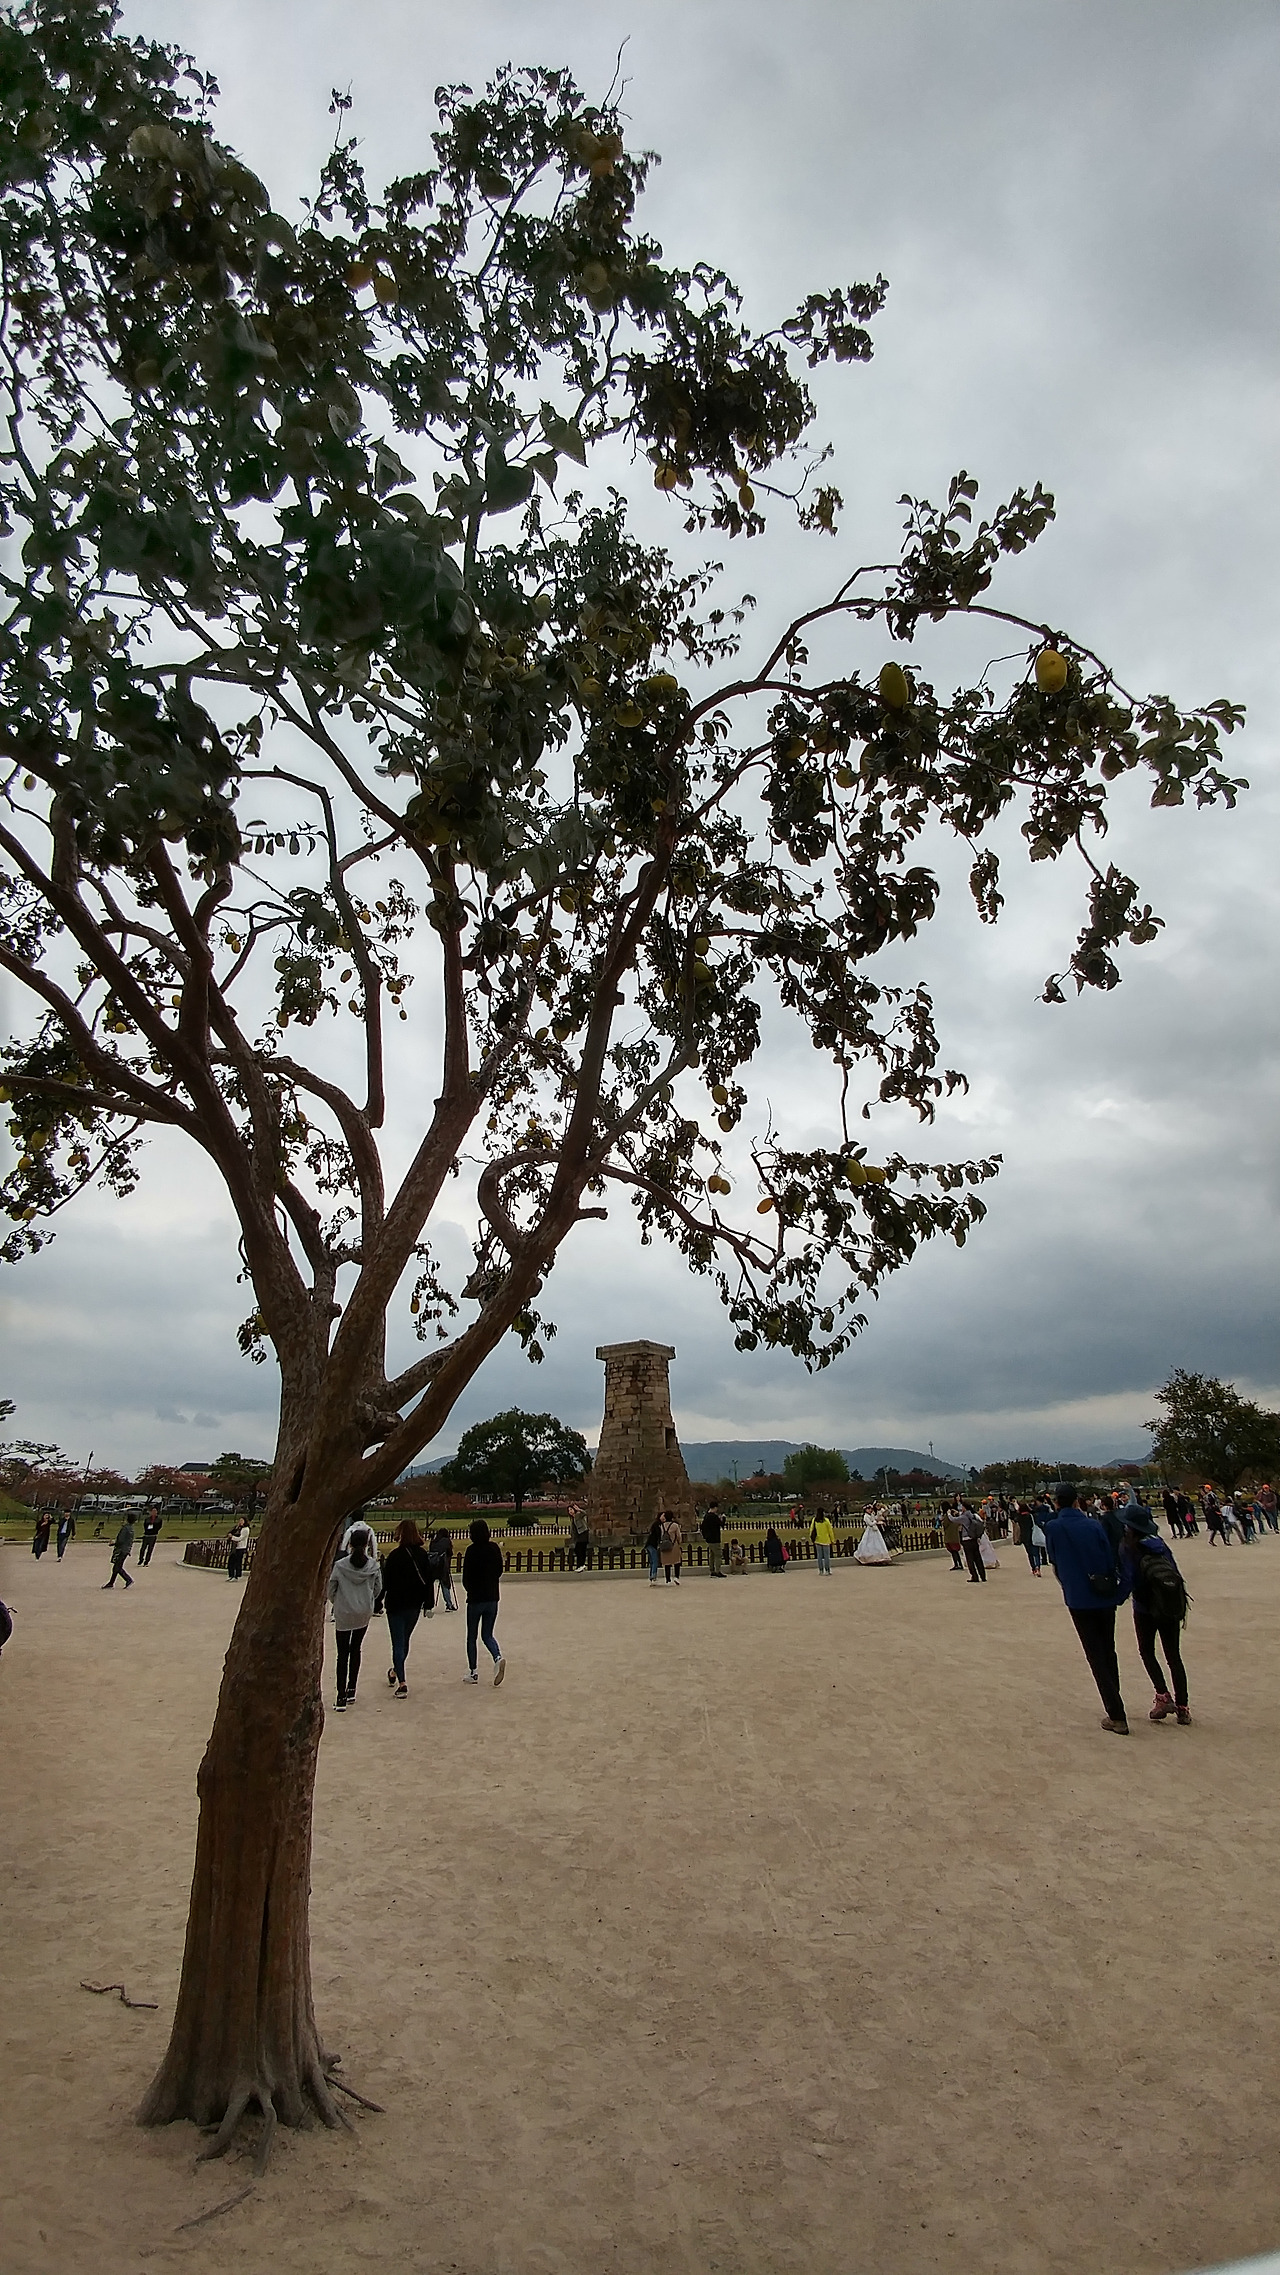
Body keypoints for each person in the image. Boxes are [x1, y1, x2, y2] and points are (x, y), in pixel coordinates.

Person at [1044, 1482, 1130, 1734]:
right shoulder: (1094, 1524)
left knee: (1095, 1655)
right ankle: (1115, 1698)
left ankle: (1117, 1714)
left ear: (1056, 1503)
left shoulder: (1054, 1527)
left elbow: (1054, 1560)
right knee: (1108, 1650)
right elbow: (1109, 1556)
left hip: (1079, 1597)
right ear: (1077, 1501)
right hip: (1104, 1594)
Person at [1119, 1509, 1191, 1725]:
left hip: (1144, 1607)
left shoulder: (1128, 1547)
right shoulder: (1160, 1545)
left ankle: (1162, 1695)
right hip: (1169, 1606)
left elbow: (1129, 1578)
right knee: (1174, 1656)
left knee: (1147, 1651)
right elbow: (1174, 1572)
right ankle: (1183, 1707)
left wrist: (1117, 1598)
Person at [327, 1521, 381, 1710]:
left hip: (344, 1611)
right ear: (367, 1544)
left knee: (342, 1653)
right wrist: (367, 1600)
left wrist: (338, 1602)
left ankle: (341, 1696)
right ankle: (352, 1689)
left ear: (349, 1544)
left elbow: (331, 1589)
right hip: (363, 1612)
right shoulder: (373, 1566)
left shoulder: (340, 1566)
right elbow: (378, 1589)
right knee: (356, 1649)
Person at [380, 1518, 436, 1697]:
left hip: (396, 1604)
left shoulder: (395, 1556)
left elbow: (386, 1582)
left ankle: (402, 1682)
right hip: (414, 1604)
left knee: (398, 1642)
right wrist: (429, 1603)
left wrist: (377, 1601)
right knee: (404, 1640)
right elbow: (428, 1581)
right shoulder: (422, 1555)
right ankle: (395, 1671)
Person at [461, 1516, 505, 1684]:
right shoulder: (494, 1548)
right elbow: (499, 1570)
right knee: (487, 1634)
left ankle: (473, 1671)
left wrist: (470, 1590)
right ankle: (497, 1657)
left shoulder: (471, 1551)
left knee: (471, 1636)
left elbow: (466, 1577)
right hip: (492, 1597)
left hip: (475, 1599)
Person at [102, 1514, 136, 1588]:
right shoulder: (131, 1529)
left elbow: (121, 1540)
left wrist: (113, 1543)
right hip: (126, 1549)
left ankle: (128, 1579)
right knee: (117, 1567)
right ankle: (112, 1582)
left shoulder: (125, 1528)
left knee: (117, 1567)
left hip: (121, 1550)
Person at [429, 1525, 457, 1610]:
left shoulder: (433, 1541)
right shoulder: (447, 1541)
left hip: (432, 1565)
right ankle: (449, 1604)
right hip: (442, 1566)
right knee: (445, 1585)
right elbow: (450, 1553)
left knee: (429, 1585)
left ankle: (427, 1603)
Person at [957, 1503, 987, 1584]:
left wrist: (949, 1514)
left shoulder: (964, 1517)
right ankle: (983, 1576)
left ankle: (974, 1576)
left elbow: (953, 1519)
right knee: (978, 1558)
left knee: (970, 1559)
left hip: (967, 1539)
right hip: (974, 1539)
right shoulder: (973, 1515)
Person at [659, 1509, 683, 1585]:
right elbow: (678, 1536)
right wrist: (679, 1542)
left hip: (665, 1545)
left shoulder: (662, 1526)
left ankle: (668, 1579)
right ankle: (676, 1577)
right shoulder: (675, 1525)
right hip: (673, 1545)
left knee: (667, 1563)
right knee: (676, 1562)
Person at [701, 1501, 726, 1576]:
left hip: (709, 1539)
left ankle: (712, 1570)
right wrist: (723, 1518)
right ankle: (718, 1571)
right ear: (715, 1508)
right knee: (718, 1555)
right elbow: (721, 1524)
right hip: (715, 1538)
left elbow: (702, 1527)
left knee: (711, 1555)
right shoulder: (714, 1517)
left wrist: (705, 1536)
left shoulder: (706, 1516)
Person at [810, 1508, 835, 1576]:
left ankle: (821, 1570)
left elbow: (811, 1530)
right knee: (826, 1557)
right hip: (826, 1540)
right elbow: (830, 1531)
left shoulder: (814, 1520)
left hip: (817, 1540)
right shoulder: (826, 1521)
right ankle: (827, 1570)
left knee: (819, 1557)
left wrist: (812, 1538)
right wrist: (832, 1540)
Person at [568, 1502, 591, 1573]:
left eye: (571, 1509)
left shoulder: (578, 1515)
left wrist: (579, 1509)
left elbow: (584, 1513)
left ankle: (581, 1565)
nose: (570, 1511)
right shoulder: (573, 1519)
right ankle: (580, 1565)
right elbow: (573, 1530)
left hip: (583, 1533)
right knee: (579, 1550)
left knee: (580, 1549)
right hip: (579, 1536)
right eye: (569, 1510)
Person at [644, 1513, 663, 1585]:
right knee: (655, 1560)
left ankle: (651, 1576)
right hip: (652, 1544)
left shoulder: (656, 1524)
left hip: (649, 1544)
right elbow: (658, 1534)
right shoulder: (657, 1524)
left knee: (652, 1561)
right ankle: (653, 1576)